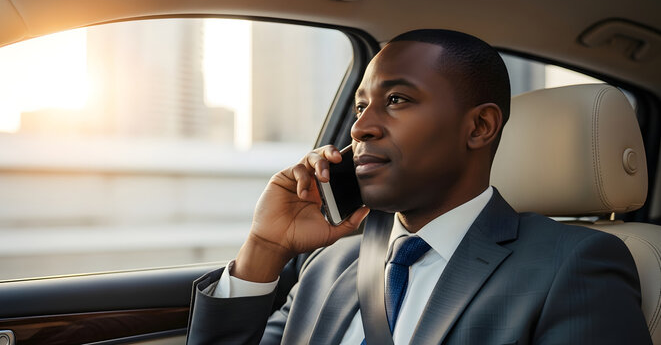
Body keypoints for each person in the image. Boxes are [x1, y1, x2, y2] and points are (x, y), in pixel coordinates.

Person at [187, 29, 651, 344]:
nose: (361, 127)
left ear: (480, 127)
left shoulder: (573, 265)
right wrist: (265, 247)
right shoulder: (329, 265)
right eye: (361, 106)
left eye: (397, 100)